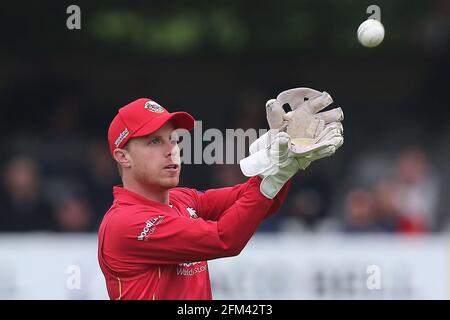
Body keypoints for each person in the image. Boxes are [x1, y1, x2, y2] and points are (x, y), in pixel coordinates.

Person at [98, 90, 343, 300]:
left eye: (173, 140)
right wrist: (276, 173)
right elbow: (224, 238)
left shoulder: (181, 199)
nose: (171, 150)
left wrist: (281, 160)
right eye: (154, 142)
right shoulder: (126, 223)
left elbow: (255, 202)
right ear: (123, 156)